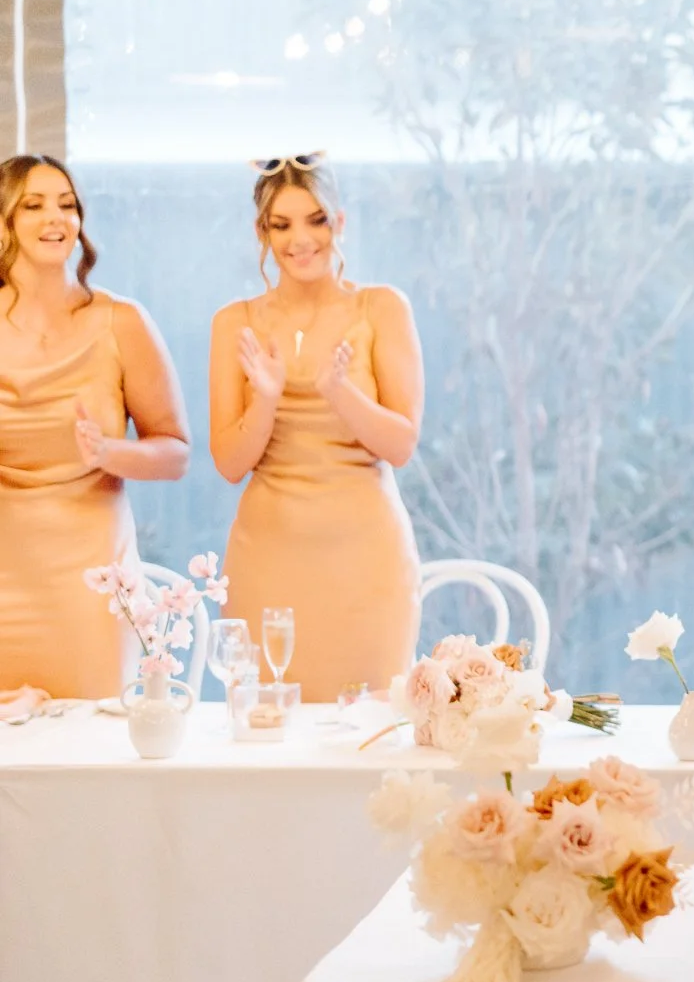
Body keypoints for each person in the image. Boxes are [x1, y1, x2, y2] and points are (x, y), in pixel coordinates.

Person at [209, 157, 422, 700]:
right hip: (267, 560)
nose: (300, 239)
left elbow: (400, 446)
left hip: (366, 562)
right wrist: (266, 398)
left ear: (340, 222)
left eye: (316, 220)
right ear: (262, 232)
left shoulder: (382, 308)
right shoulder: (234, 322)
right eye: (281, 225)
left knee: (365, 726)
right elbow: (230, 463)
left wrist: (339, 391)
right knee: (268, 724)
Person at [0, 154, 189, 697]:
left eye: (67, 204)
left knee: (90, 736)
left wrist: (109, 453)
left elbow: (175, 453)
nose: (55, 217)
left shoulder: (121, 322)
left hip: (91, 584)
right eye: (33, 205)